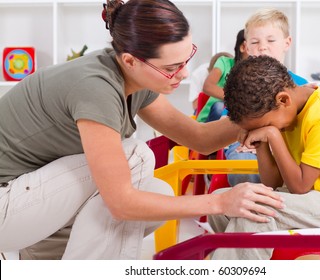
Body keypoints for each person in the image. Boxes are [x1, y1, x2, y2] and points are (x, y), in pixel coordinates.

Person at [0, 0, 285, 260]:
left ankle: (53, 258)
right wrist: (219, 202)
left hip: (35, 198)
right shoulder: (96, 87)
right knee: (136, 155)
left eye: (187, 59)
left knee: (154, 190)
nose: (184, 73)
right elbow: (121, 203)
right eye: (172, 67)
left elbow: (199, 139)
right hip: (7, 206)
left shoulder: (133, 78)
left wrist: (261, 114)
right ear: (130, 61)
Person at [210, 55, 320, 260]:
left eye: (263, 125)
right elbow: (272, 182)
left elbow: (300, 187)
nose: (264, 130)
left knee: (253, 212)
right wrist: (262, 145)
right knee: (221, 203)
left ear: (283, 99)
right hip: (301, 198)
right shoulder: (285, 112)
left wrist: (272, 135)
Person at [224, 8, 308, 187]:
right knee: (243, 167)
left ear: (287, 43)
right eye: (255, 42)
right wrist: (246, 137)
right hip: (248, 144)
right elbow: (233, 118)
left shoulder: (300, 86)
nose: (262, 46)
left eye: (271, 40)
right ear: (245, 47)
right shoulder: (240, 82)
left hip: (288, 146)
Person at [196, 29, 247, 123]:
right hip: (210, 118)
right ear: (243, 47)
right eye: (255, 42)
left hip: (237, 114)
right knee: (220, 107)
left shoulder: (258, 72)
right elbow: (208, 87)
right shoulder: (224, 62)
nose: (262, 47)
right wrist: (238, 99)